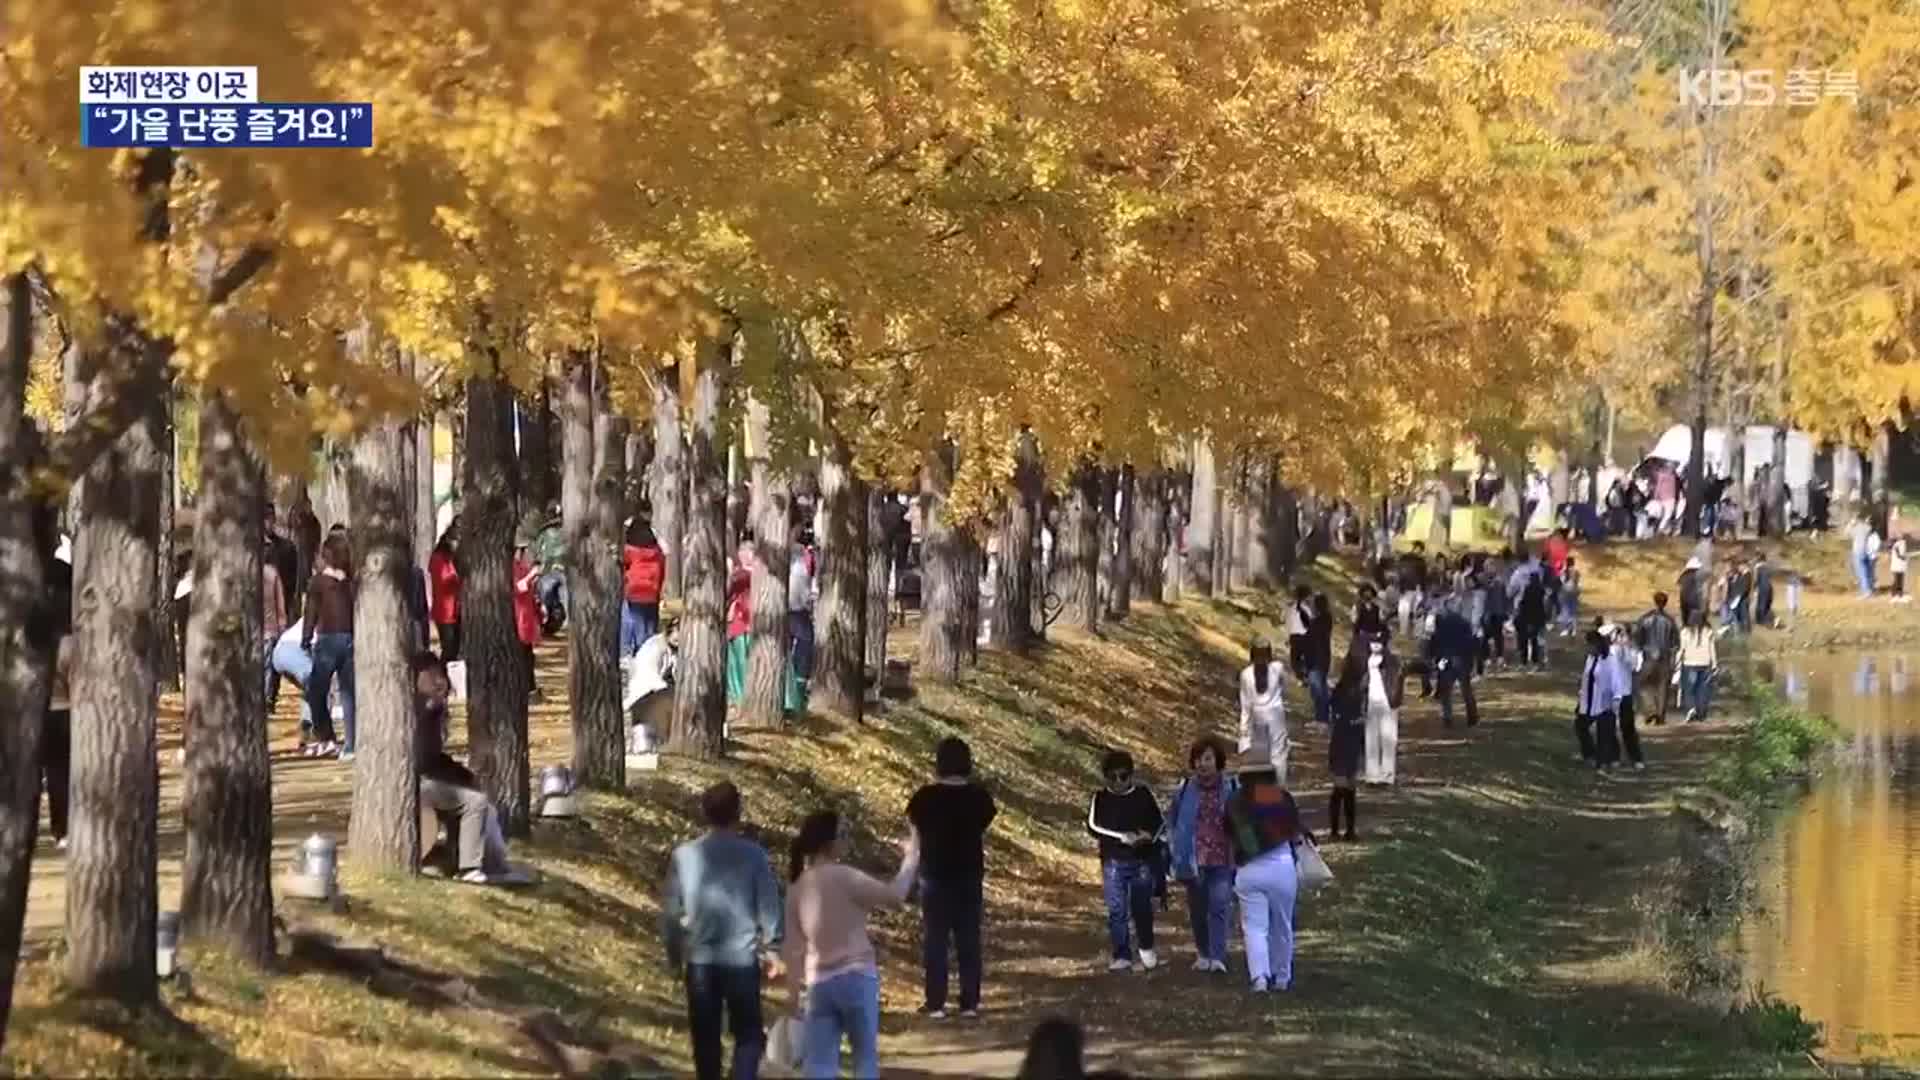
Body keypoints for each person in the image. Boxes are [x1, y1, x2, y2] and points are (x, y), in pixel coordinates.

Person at [782, 810, 920, 1080]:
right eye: (843, 834)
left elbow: (793, 950)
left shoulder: (797, 889)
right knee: (865, 1061)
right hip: (858, 978)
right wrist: (912, 858)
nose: (848, 841)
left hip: (819, 985)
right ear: (828, 843)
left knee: (818, 1066)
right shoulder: (845, 876)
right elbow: (895, 896)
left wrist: (792, 999)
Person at [663, 781, 784, 1080]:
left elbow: (671, 912)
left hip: (700, 960)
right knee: (749, 1035)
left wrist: (673, 954)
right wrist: (774, 948)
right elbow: (769, 905)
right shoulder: (753, 855)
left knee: (705, 1040)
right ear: (738, 813)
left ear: (704, 812)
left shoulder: (684, 856)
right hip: (741, 960)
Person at [415, 655, 529, 884]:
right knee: (473, 802)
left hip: (427, 778)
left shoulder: (432, 711)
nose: (440, 682)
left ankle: (464, 857)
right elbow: (421, 760)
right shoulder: (416, 710)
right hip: (416, 782)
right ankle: (469, 868)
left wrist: (463, 774)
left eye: (441, 675)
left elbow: (432, 756)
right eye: (432, 676)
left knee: (470, 795)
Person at [906, 737, 997, 1020]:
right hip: (969, 875)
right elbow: (983, 827)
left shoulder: (924, 797)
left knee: (936, 939)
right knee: (968, 938)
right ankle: (970, 1002)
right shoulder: (980, 797)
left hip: (935, 875)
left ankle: (936, 1002)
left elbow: (914, 834)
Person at [1227, 763, 1308, 993]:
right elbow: (1295, 830)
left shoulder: (1236, 801)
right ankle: (1282, 976)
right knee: (1282, 924)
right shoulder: (1280, 797)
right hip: (1281, 867)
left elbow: (1232, 836)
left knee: (1254, 927)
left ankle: (1260, 977)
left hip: (1250, 869)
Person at [1085, 750, 1163, 973]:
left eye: (1123, 776)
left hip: (1142, 861)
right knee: (1116, 909)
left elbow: (1158, 823)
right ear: (1105, 777)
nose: (1118, 782)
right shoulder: (1099, 798)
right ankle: (1121, 954)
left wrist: (1147, 836)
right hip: (1113, 862)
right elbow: (1093, 827)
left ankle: (1146, 947)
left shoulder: (1143, 794)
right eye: (1113, 777)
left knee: (1142, 907)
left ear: (1131, 775)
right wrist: (1121, 837)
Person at [1165, 737, 1237, 973]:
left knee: (1219, 906)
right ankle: (1203, 953)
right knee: (1197, 909)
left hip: (1223, 857)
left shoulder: (1232, 788)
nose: (1202, 764)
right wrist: (1175, 846)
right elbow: (1172, 819)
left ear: (1218, 761)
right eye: (1198, 759)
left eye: (1207, 758)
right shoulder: (1185, 789)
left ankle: (1217, 956)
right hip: (1193, 859)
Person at [302, 533, 357, 760]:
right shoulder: (351, 583)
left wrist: (305, 638)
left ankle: (327, 736)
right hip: (350, 639)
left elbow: (310, 614)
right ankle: (352, 744)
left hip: (327, 641)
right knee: (349, 695)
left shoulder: (318, 583)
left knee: (316, 691)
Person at [40, 563, 74, 851]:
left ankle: (60, 827)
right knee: (63, 772)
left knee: (56, 774)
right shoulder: (69, 643)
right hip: (66, 711)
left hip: (47, 711)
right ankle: (64, 826)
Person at [1353, 631, 1403, 785]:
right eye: (1372, 642)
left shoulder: (1391, 661)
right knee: (1371, 739)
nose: (1375, 645)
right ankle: (1372, 775)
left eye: (1379, 642)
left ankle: (1388, 776)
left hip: (1388, 703)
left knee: (1388, 739)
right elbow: (1361, 682)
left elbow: (1397, 680)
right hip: (1371, 702)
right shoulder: (1364, 661)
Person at [1575, 626, 1627, 771]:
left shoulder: (1610, 660)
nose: (1587, 649)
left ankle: (1605, 762)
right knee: (1580, 726)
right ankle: (1590, 755)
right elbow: (1587, 677)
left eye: (1589, 645)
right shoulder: (1590, 658)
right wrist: (1581, 696)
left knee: (1605, 732)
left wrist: (1616, 699)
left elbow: (1616, 681)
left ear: (1597, 645)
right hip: (1587, 700)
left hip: (1605, 701)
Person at [1236, 637, 1289, 779]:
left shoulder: (1276, 669)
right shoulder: (1247, 675)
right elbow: (1245, 706)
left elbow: (1284, 685)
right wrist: (1243, 735)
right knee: (1266, 760)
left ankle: (1276, 794)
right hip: (1262, 720)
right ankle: (1269, 794)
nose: (1261, 660)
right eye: (1259, 656)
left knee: (1275, 758)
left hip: (1273, 719)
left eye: (1263, 655)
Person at [625, 617, 679, 753]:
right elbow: (649, 677)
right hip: (645, 694)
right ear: (669, 632)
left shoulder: (673, 650)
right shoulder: (654, 647)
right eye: (676, 637)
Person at [1429, 590, 1479, 728]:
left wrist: (1434, 657)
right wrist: (1471, 661)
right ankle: (1472, 715)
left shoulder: (1441, 621)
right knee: (1466, 688)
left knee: (1445, 688)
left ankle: (1447, 716)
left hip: (1445, 658)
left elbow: (1435, 640)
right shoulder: (1464, 623)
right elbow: (1470, 643)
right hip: (1461, 658)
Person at [1632, 592, 1679, 727]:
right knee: (1663, 687)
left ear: (1654, 601)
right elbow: (1675, 642)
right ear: (1665, 603)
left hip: (1648, 655)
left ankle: (1650, 709)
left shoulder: (1645, 618)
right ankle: (1660, 715)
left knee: (1643, 684)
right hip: (1665, 656)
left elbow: (1638, 638)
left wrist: (1641, 650)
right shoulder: (1670, 620)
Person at [623, 522, 667, 658]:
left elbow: (623, 566)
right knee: (650, 628)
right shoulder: (657, 552)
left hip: (635, 592)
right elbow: (662, 571)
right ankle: (651, 656)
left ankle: (640, 657)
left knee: (638, 628)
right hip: (652, 593)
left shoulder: (629, 551)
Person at [788, 533, 817, 715]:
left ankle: (797, 696)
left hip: (797, 609)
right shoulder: (797, 559)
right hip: (795, 610)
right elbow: (800, 589)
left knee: (801, 651)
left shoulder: (801, 558)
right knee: (803, 650)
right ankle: (795, 697)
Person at [1610, 624, 1646, 770]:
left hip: (1625, 693)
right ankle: (1614, 757)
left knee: (1628, 727)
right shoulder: (1610, 651)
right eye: (1620, 635)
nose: (1622, 638)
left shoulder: (1631, 651)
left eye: (1625, 635)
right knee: (1610, 727)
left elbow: (1636, 666)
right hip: (1611, 694)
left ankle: (1635, 758)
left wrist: (1629, 649)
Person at [512, 535, 543, 701]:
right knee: (522, 656)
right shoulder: (511, 567)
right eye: (522, 550)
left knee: (528, 656)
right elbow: (518, 587)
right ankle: (525, 689)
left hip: (527, 615)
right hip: (518, 616)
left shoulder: (521, 566)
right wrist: (531, 575)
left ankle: (530, 687)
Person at [725, 541, 754, 707]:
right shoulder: (740, 574)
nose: (744, 555)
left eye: (748, 551)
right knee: (738, 658)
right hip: (739, 621)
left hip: (744, 621)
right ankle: (738, 693)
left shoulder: (742, 575)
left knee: (742, 659)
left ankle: (741, 694)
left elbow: (728, 589)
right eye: (742, 551)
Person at [1677, 610, 1718, 724]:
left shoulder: (1685, 632)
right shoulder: (1708, 632)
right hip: (1705, 663)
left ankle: (1691, 708)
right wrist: (1714, 664)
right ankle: (1701, 714)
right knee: (1702, 690)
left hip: (1689, 663)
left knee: (1689, 689)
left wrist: (1677, 662)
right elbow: (1712, 649)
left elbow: (1682, 649)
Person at [1299, 593, 1334, 726]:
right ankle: (1323, 717)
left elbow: (1312, 639)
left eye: (1313, 604)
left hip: (1317, 660)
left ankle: (1322, 719)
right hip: (1319, 659)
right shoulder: (1322, 620)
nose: (1311, 607)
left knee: (1318, 690)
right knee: (1320, 689)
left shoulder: (1322, 621)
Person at [534, 505, 568, 635]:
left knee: (547, 600)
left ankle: (551, 624)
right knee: (560, 600)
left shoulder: (544, 533)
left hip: (549, 571)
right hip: (561, 570)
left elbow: (537, 553)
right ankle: (556, 624)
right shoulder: (567, 533)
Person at [428, 533, 462, 663]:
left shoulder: (451, 559)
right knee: (449, 648)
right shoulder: (438, 559)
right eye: (455, 541)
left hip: (454, 610)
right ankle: (442, 675)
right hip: (444, 611)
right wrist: (458, 576)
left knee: (455, 648)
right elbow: (444, 581)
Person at [1513, 567, 1548, 671]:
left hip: (1527, 619)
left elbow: (1523, 604)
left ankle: (1524, 663)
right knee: (1536, 641)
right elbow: (1544, 605)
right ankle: (1537, 663)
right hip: (1538, 620)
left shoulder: (1528, 589)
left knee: (1524, 641)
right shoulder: (1542, 590)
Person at [1849, 515, 1877, 597]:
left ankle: (1866, 592)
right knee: (1867, 572)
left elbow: (1847, 533)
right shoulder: (1868, 528)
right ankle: (1869, 589)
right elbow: (1869, 528)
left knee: (1861, 572)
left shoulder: (1857, 528)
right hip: (1866, 552)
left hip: (1858, 552)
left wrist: (1851, 524)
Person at [1677, 555, 1706, 626]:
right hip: (1693, 603)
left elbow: (1678, 584)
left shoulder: (1683, 576)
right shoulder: (1697, 576)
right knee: (1695, 625)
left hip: (1683, 601)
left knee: (1685, 622)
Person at [1556, 556, 1581, 636]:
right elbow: (1577, 581)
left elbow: (1562, 581)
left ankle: (1566, 629)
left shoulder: (1564, 571)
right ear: (1573, 562)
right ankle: (1574, 630)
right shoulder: (1576, 571)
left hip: (1566, 591)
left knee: (1566, 610)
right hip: (1575, 590)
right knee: (1573, 610)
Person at [1753, 553, 1778, 626]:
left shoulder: (1757, 567)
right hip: (1769, 587)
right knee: (1767, 604)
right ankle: (1769, 619)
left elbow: (1756, 579)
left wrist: (1754, 588)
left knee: (1761, 604)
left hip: (1762, 587)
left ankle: (1762, 621)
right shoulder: (1769, 567)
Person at [1891, 534, 1910, 603]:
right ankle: (1894, 595)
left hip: (1901, 566)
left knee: (1900, 581)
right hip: (1896, 566)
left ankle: (1900, 595)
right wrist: (1905, 557)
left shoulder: (1902, 544)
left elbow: (1902, 554)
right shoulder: (1898, 544)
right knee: (1896, 581)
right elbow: (1899, 555)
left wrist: (1905, 556)